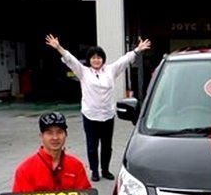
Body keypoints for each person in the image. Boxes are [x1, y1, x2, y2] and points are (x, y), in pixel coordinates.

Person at [45, 34, 151, 182]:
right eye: (93, 58)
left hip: (107, 115)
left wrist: (137, 49)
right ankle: (94, 171)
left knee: (107, 146)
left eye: (99, 57)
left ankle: (105, 170)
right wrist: (58, 48)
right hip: (90, 115)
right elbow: (70, 59)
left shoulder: (111, 70)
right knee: (92, 146)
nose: (96, 60)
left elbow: (124, 60)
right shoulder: (83, 72)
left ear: (103, 59)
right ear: (89, 60)